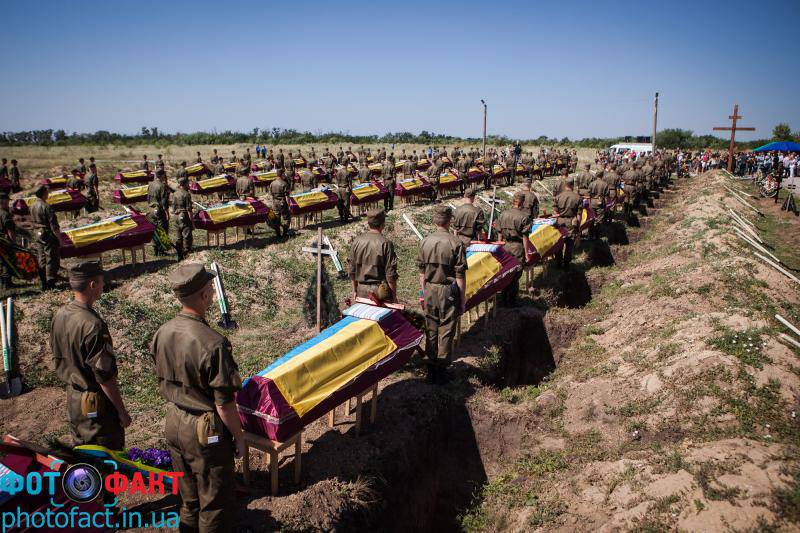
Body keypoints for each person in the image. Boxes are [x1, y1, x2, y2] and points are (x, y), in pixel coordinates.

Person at [151, 263, 244, 533]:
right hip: (205, 430)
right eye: (210, 291)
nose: (213, 295)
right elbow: (224, 403)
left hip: (174, 420)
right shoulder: (213, 343)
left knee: (188, 497)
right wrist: (238, 437)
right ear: (204, 295)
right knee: (214, 502)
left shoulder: (163, 332)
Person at [51, 261, 130, 449]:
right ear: (92, 285)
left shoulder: (60, 315)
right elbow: (104, 376)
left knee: (83, 455)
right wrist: (121, 410)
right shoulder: (93, 325)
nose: (104, 285)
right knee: (106, 458)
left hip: (74, 400)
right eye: (102, 281)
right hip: (95, 405)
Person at [416, 205, 467, 384]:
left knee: (431, 326)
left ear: (434, 220)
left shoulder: (424, 241)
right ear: (449, 220)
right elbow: (460, 276)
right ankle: (442, 368)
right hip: (448, 290)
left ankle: (431, 364)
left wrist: (423, 293)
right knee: (446, 328)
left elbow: (421, 273)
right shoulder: (456, 243)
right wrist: (462, 299)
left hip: (429, 288)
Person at [348, 208, 398, 301]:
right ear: (383, 224)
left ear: (368, 223)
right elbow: (390, 275)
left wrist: (354, 290)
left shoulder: (357, 241)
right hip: (380, 292)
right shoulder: (386, 243)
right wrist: (394, 297)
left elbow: (352, 269)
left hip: (361, 290)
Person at [497, 191, 532, 306]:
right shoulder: (524, 217)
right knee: (515, 275)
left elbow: (499, 232)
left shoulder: (503, 214)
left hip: (505, 246)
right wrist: (527, 254)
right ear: (522, 202)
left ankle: (503, 298)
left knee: (506, 273)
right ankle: (511, 301)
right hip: (517, 247)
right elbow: (525, 237)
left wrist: (500, 245)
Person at [30, 185, 61, 290]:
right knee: (51, 258)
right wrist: (60, 240)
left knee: (41, 258)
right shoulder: (46, 206)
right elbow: (54, 226)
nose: (48, 193)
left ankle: (43, 283)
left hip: (37, 233)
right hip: (47, 234)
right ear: (43, 193)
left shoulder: (32, 206)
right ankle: (50, 283)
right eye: (47, 192)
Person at [554, 178, 581, 269]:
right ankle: (566, 264)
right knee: (569, 244)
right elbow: (579, 214)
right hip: (571, 222)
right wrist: (578, 227)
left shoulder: (558, 197)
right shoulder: (577, 197)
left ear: (565, 185)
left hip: (560, 221)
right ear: (572, 185)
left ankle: (558, 262)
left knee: (559, 243)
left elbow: (555, 212)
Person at [148, 170, 171, 254]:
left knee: (154, 229)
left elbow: (148, 198)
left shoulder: (150, 184)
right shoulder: (162, 186)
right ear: (162, 176)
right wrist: (167, 213)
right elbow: (164, 202)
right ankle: (161, 250)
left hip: (151, 209)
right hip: (160, 210)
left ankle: (155, 249)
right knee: (163, 229)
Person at [171, 177, 194, 260]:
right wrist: (192, 222)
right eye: (188, 183)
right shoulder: (186, 194)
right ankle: (186, 254)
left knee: (178, 237)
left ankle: (179, 255)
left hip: (175, 216)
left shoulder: (175, 193)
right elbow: (189, 210)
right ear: (184, 184)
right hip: (183, 216)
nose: (189, 185)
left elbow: (173, 208)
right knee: (187, 236)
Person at [0, 192, 16, 289]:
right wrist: (13, 243)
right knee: (7, 261)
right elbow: (10, 230)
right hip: (4, 240)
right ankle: (7, 284)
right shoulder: (5, 214)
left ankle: (3, 283)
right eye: (7, 201)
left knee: (1, 262)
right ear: (3, 201)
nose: (8, 203)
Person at [269, 169, 291, 238]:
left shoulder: (272, 183)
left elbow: (270, 194)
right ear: (281, 174)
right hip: (283, 202)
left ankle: (278, 234)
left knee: (276, 219)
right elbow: (287, 196)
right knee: (286, 218)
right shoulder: (284, 183)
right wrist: (289, 204)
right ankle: (284, 233)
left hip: (275, 202)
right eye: (283, 174)